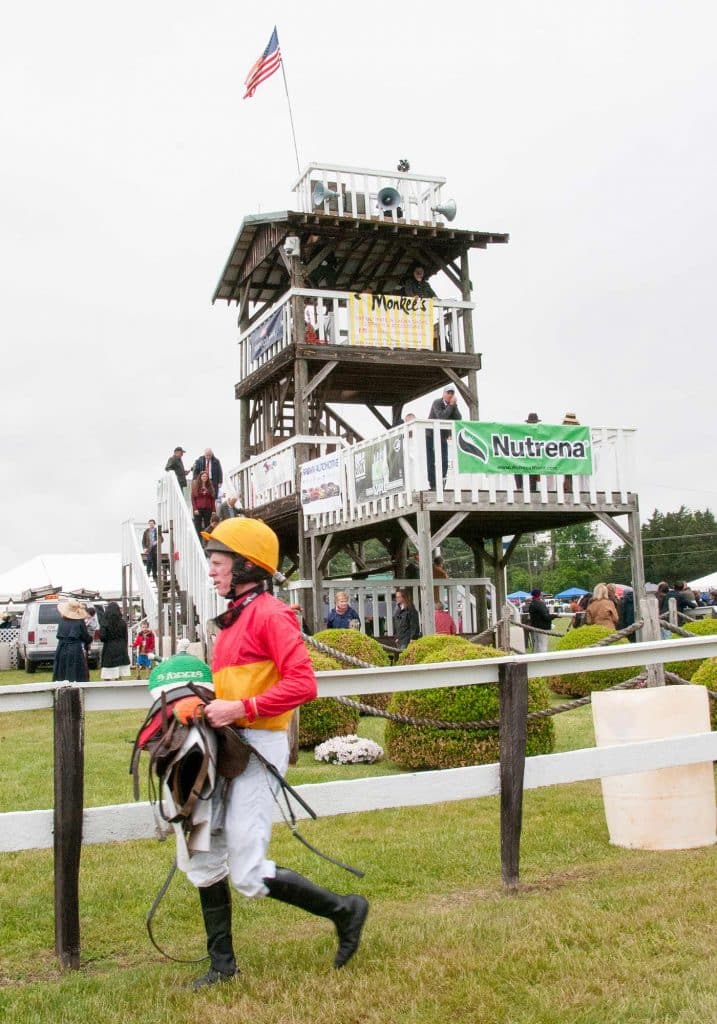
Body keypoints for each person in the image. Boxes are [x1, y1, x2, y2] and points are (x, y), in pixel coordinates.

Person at [171, 517, 368, 989]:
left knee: (247, 872)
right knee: (200, 850)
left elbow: (304, 683)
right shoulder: (234, 618)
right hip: (225, 745)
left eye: (218, 564)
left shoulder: (271, 614)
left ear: (244, 567)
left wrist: (242, 706)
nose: (213, 573)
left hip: (258, 748)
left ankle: (346, 910)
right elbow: (235, 686)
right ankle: (222, 966)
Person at [426, 386, 461, 489]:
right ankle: (433, 485)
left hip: (442, 437)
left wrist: (454, 406)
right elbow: (442, 417)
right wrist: (450, 406)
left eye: (452, 393)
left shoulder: (452, 405)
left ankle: (442, 484)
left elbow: (458, 418)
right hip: (430, 436)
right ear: (444, 394)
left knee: (444, 462)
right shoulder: (437, 402)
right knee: (431, 461)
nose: (450, 395)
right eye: (448, 392)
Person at [52, 599, 92, 682]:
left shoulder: (62, 621)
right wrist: (89, 639)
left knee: (61, 670)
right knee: (75, 672)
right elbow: (85, 637)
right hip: (74, 649)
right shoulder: (79, 622)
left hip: (61, 648)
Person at [99, 602, 131, 680]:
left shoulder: (104, 622)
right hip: (121, 647)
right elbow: (125, 637)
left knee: (108, 672)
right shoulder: (122, 622)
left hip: (109, 647)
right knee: (120, 671)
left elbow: (102, 637)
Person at [515, 413, 541, 494]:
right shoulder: (523, 433)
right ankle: (519, 488)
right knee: (517, 469)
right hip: (524, 458)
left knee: (532, 480)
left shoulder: (539, 434)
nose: (533, 425)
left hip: (534, 461)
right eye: (532, 423)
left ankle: (530, 491)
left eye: (534, 423)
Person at [527, 589, 556, 653]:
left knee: (536, 646)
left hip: (535, 627)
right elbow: (546, 617)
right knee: (542, 646)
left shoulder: (532, 603)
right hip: (542, 627)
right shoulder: (540, 604)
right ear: (539, 595)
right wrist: (555, 616)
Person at [191, 471, 216, 538]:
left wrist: (214, 510)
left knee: (207, 525)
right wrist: (195, 509)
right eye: (203, 476)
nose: (205, 478)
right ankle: (199, 540)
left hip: (208, 508)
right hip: (198, 509)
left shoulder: (210, 487)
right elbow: (193, 499)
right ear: (200, 477)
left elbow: (213, 499)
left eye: (206, 476)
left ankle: (206, 540)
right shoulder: (195, 486)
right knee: (198, 525)